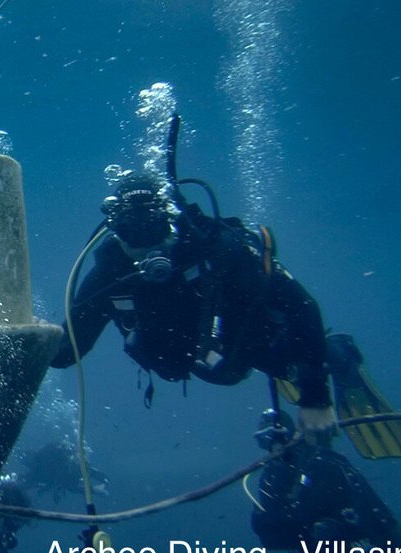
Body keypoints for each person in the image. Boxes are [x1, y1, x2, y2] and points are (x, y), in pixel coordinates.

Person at [51, 172, 337, 435]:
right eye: (130, 232)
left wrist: (316, 399)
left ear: (169, 222)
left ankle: (337, 355)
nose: (145, 245)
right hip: (191, 360)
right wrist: (36, 340)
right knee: (213, 368)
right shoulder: (109, 274)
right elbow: (69, 350)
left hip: (248, 346)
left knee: (286, 356)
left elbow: (301, 306)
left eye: (152, 229)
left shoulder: (217, 249)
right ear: (114, 231)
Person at [250, 408, 401, 553]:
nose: (272, 446)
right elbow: (274, 536)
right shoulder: (273, 477)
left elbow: (369, 517)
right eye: (264, 440)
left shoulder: (321, 464)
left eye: (274, 438)